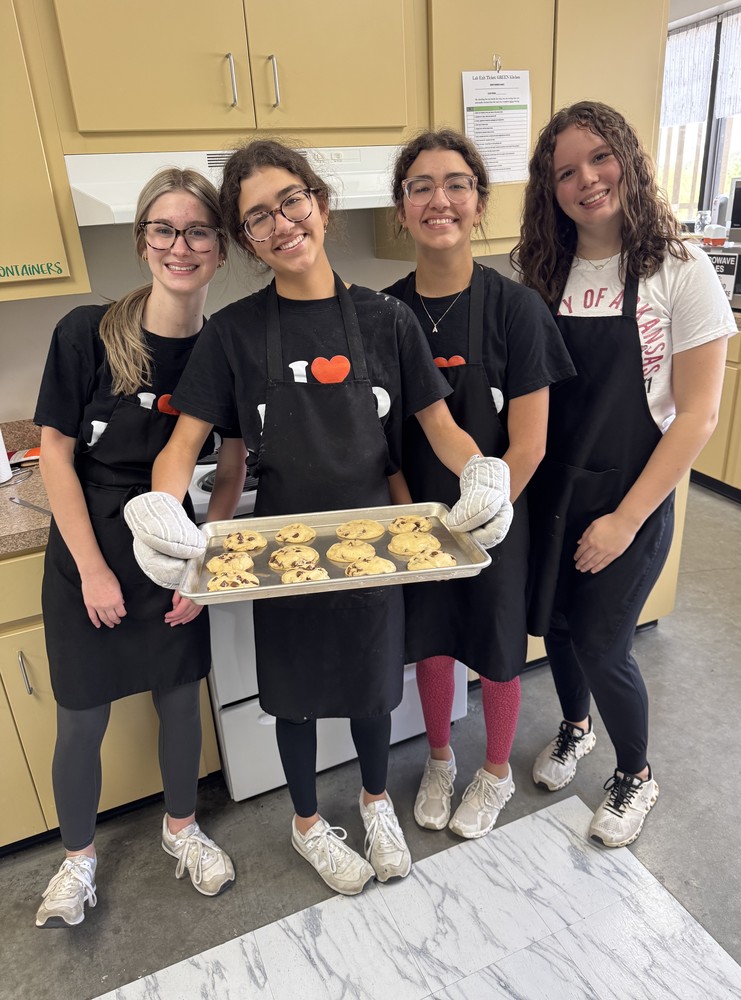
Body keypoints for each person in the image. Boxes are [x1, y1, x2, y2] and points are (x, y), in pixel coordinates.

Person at [125, 139, 511, 896]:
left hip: (375, 543)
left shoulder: (388, 321)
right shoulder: (233, 334)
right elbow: (184, 446)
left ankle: (375, 805)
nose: (281, 223)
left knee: (373, 689)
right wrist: (160, 505)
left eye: (291, 201)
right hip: (281, 547)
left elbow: (438, 425)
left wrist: (481, 472)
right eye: (257, 216)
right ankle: (307, 825)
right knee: (295, 698)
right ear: (246, 239)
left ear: (321, 204)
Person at [512, 101, 734, 847]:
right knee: (560, 630)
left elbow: (697, 415)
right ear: (551, 189)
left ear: (629, 160)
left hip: (628, 494)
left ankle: (635, 774)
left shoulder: (679, 267)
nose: (587, 180)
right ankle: (575, 728)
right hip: (552, 489)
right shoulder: (541, 270)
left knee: (605, 642)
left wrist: (626, 520)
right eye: (565, 171)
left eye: (599, 158)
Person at [33, 168, 239, 929]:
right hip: (86, 549)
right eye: (165, 229)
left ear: (220, 248)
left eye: (198, 232)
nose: (180, 246)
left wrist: (203, 565)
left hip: (172, 552)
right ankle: (77, 860)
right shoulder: (86, 331)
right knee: (81, 717)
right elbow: (55, 455)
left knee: (180, 704)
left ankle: (181, 829)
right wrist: (91, 570)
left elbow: (233, 465)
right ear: (143, 241)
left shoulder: (223, 350)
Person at [382, 129, 575, 838]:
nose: (441, 200)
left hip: (501, 518)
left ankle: (493, 772)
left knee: (494, 648)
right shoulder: (382, 314)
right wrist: (413, 518)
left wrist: (485, 516)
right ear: (401, 210)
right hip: (418, 519)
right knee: (431, 642)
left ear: (480, 203)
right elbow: (385, 441)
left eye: (456, 184)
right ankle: (440, 759)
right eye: (421, 186)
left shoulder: (518, 310)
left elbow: (530, 443)